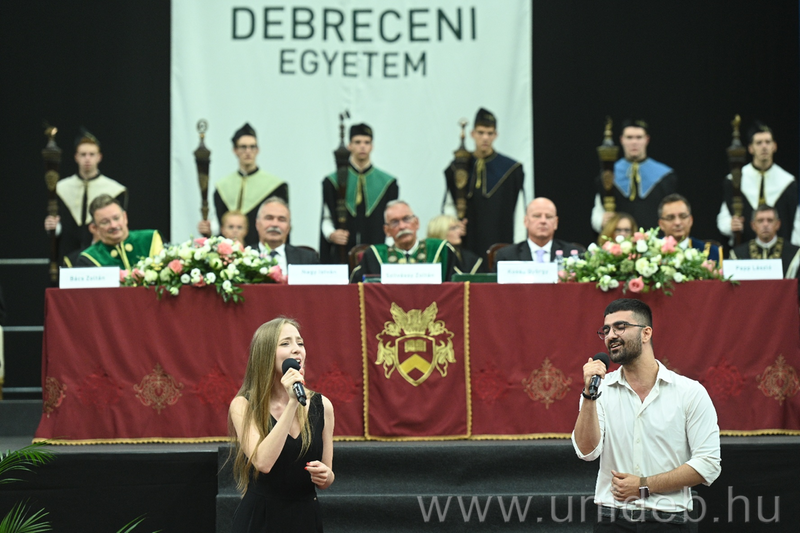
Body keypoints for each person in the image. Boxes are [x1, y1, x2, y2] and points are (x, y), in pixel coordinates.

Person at [573, 298, 721, 530]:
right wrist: (589, 395)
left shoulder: (689, 392)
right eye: (606, 330)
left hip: (669, 521)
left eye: (620, 327)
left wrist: (644, 486)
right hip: (613, 520)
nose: (611, 335)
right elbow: (586, 452)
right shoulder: (599, 389)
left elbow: (708, 464)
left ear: (646, 333)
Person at [229, 317, 335, 532]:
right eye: (286, 343)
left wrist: (326, 475)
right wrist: (293, 403)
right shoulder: (243, 405)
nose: (297, 349)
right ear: (265, 354)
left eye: (300, 343)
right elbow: (263, 462)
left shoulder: (322, 405)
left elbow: (326, 478)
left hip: (305, 517)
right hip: (261, 518)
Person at [443, 108, 525, 258]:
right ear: (472, 134)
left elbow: (519, 211)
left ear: (496, 135)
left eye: (489, 133)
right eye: (480, 133)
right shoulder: (459, 167)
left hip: (501, 241)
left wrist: (519, 246)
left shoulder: (510, 170)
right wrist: (454, 227)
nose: (485, 138)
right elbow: (449, 206)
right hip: (467, 243)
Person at [44, 129, 127, 264]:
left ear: (99, 157)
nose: (87, 159)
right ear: (76, 157)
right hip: (67, 256)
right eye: (83, 154)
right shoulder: (61, 188)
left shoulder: (115, 190)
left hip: (102, 257)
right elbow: (61, 224)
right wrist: (55, 227)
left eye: (91, 154)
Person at [198, 123, 287, 247]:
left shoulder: (276, 187)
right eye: (243, 147)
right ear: (235, 150)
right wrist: (209, 230)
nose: (248, 151)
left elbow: (283, 225)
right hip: (228, 252)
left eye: (252, 147)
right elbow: (220, 226)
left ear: (258, 150)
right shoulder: (222, 187)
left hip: (262, 251)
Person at [320, 123, 399, 264]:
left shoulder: (388, 183)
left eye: (366, 142)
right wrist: (331, 234)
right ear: (350, 146)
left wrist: (388, 248)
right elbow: (326, 217)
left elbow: (393, 220)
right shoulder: (333, 182)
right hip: (342, 253)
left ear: (372, 146)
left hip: (378, 251)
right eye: (357, 142)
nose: (362, 146)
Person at [717, 122, 800, 247]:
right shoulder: (734, 181)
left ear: (774, 146)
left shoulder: (788, 182)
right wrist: (731, 225)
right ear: (751, 148)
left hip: (780, 251)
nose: (764, 146)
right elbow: (723, 218)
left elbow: (796, 221)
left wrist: (794, 253)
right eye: (759, 143)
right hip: (745, 250)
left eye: (768, 142)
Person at [591, 119, 677, 234]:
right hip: (620, 241)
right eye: (629, 137)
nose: (634, 142)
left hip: (656, 240)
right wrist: (600, 220)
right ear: (622, 140)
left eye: (639, 137)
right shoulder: (608, 175)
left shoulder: (665, 177)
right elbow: (598, 209)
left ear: (647, 139)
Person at [350, 200, 459, 283]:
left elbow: (460, 287)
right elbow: (355, 291)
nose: (402, 226)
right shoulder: (374, 256)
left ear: (417, 223)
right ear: (387, 230)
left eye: (406, 219)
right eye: (394, 222)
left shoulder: (441, 250)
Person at [493, 198, 586, 269]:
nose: (543, 221)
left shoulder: (573, 254)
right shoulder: (506, 256)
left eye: (548, 217)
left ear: (556, 223)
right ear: (526, 221)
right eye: (537, 216)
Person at [75, 195, 162, 269]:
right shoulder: (88, 258)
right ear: (95, 228)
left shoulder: (151, 239)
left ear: (125, 217)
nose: (113, 225)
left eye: (116, 218)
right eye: (105, 222)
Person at [730, 204, 800, 278]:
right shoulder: (738, 255)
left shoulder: (794, 254)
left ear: (778, 224)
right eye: (760, 221)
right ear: (753, 225)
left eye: (770, 220)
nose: (765, 224)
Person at [255, 198, 318, 272]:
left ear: (288, 227)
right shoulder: (244, 256)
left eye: (281, 219)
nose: (275, 224)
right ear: (257, 224)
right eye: (269, 218)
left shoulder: (308, 258)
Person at [657, 194, 721, 264]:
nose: (677, 222)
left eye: (683, 216)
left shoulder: (710, 252)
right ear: (661, 224)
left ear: (691, 220)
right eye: (670, 218)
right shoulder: (652, 251)